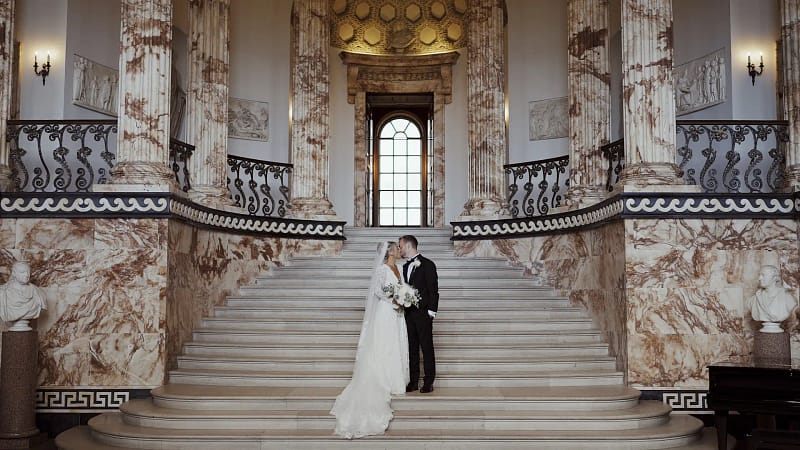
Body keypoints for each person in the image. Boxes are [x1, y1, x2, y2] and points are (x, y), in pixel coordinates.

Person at [330, 242, 409, 438]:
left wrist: (405, 298)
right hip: (385, 311)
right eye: (397, 249)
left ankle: (396, 379)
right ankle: (384, 379)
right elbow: (377, 291)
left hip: (398, 313)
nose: (400, 251)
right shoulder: (382, 269)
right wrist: (394, 299)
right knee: (384, 344)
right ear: (389, 252)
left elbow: (402, 287)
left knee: (396, 343)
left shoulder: (399, 268)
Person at [399, 234, 439, 393]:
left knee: (426, 347)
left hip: (423, 313)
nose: (399, 249)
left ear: (408, 246)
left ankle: (428, 381)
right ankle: (413, 381)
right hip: (408, 314)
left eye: (401, 246)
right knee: (411, 348)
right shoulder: (404, 267)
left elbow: (433, 290)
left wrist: (431, 312)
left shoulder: (428, 264)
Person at [0, 261, 47, 329]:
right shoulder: (2, 292)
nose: (26, 275)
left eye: (28, 272)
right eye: (22, 272)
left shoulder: (38, 292)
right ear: (14, 274)